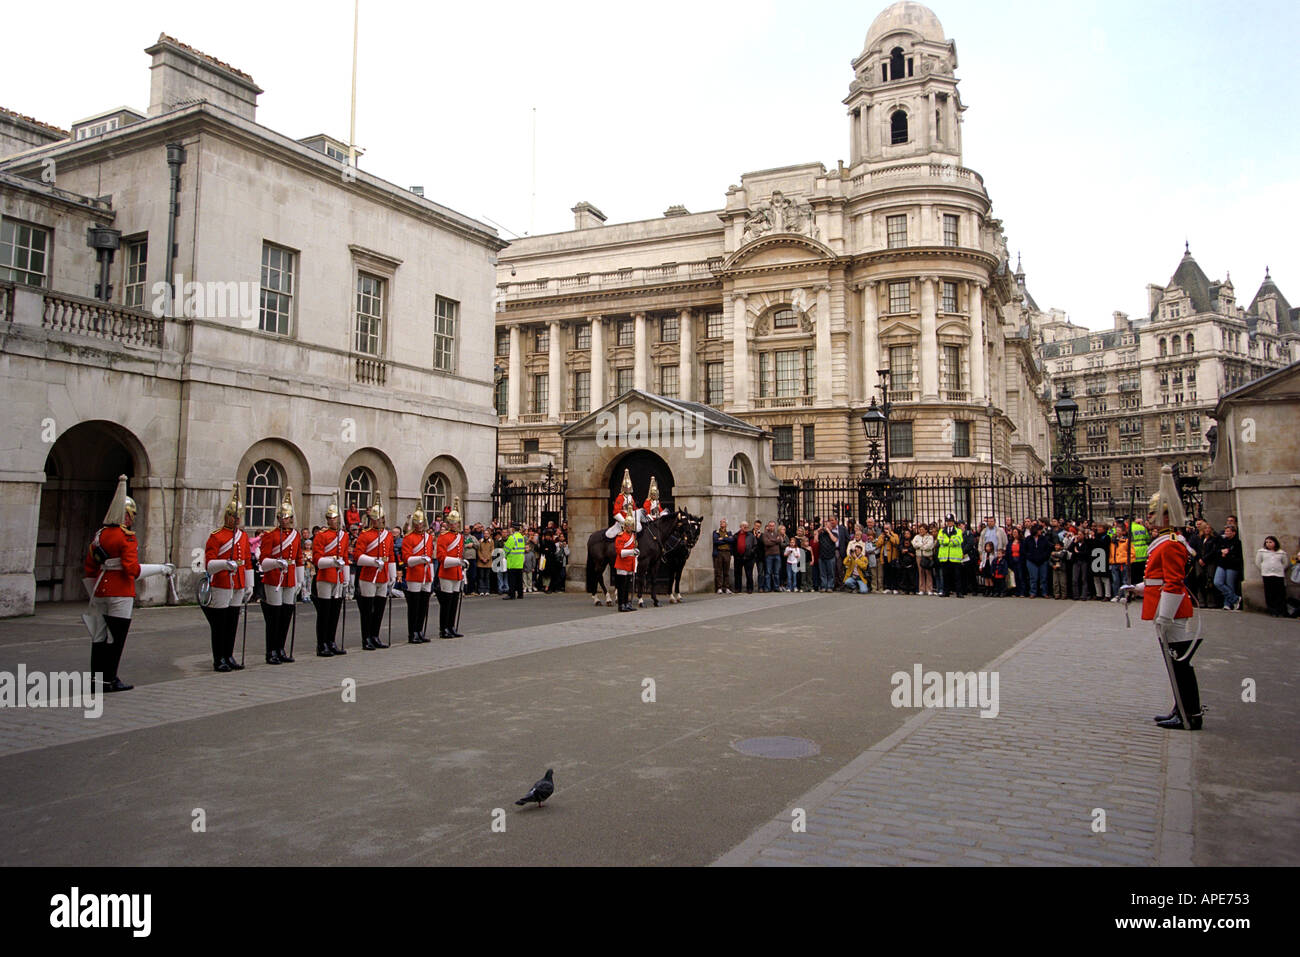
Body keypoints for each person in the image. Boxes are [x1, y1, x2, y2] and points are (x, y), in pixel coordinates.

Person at [1121, 467, 1203, 731]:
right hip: (1167, 607)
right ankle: (1179, 708)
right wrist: (1136, 588)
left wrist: (1165, 616)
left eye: (1154, 512)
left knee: (1179, 664)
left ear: (1168, 515)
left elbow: (1173, 583)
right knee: (1174, 665)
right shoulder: (1165, 540)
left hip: (1173, 612)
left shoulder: (1171, 543)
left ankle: (1190, 713)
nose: (1150, 516)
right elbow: (1158, 581)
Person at [82, 474, 173, 692]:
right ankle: (110, 679)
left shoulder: (100, 535)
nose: (132, 519)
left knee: (99, 638)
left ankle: (96, 679)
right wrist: (161, 568)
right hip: (120, 591)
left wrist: (93, 593)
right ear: (126, 515)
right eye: (131, 515)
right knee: (116, 639)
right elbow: (132, 570)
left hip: (100, 591)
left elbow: (89, 568)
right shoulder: (127, 537)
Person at [203, 482, 252, 672]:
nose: (237, 519)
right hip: (222, 582)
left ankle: (229, 655)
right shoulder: (217, 536)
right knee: (220, 623)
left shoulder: (243, 536)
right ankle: (219, 658)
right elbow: (209, 564)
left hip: (238, 582)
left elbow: (247, 561)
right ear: (227, 516)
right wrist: (225, 564)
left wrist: (249, 584)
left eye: (238, 516)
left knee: (232, 622)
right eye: (234, 516)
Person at [258, 487, 304, 664]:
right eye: (284, 518)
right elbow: (263, 560)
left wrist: (300, 580)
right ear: (278, 519)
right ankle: (271, 651)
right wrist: (276, 563)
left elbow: (298, 558)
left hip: (290, 577)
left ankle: (281, 648)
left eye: (289, 517)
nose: (287, 520)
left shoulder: (295, 535)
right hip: (274, 578)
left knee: (286, 615)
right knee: (274, 615)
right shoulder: (270, 535)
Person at [352, 492, 396, 650]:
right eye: (377, 519)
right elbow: (358, 556)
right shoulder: (365, 535)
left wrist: (392, 574)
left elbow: (390, 555)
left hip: (383, 575)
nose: (380, 521)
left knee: (379, 608)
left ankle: (375, 635)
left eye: (382, 519)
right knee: (367, 609)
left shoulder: (388, 535)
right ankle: (366, 638)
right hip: (369, 576)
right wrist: (372, 561)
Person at [311, 495, 349, 656]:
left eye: (337, 518)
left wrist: (346, 577)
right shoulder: (321, 535)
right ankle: (322, 644)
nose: (335, 521)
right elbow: (317, 559)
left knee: (335, 611)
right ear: (327, 519)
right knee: (324, 612)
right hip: (325, 576)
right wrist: (333, 562)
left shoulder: (344, 536)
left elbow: (346, 557)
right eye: (332, 518)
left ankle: (331, 641)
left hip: (338, 577)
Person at [435, 498, 467, 638]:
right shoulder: (443, 537)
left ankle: (451, 626)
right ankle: (444, 628)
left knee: (454, 601)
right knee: (446, 602)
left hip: (457, 573)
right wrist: (458, 562)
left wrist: (462, 564)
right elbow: (441, 557)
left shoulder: (460, 537)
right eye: (452, 523)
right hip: (446, 572)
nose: (454, 525)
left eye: (456, 523)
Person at [401, 508, 435, 643]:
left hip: (426, 574)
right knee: (414, 605)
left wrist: (431, 574)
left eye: (420, 522)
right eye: (415, 522)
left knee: (423, 605)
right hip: (414, 574)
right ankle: (412, 632)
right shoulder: (409, 537)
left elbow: (431, 557)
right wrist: (420, 559)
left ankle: (420, 631)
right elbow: (406, 558)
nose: (418, 525)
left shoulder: (428, 537)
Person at [1213, 524, 1244, 611]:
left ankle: (1227, 604)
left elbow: (1237, 555)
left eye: (1228, 531)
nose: (1226, 533)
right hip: (1222, 564)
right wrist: (1221, 551)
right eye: (1226, 531)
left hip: (1232, 565)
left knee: (1230, 584)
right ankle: (1235, 598)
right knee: (1217, 582)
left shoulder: (1237, 542)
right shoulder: (1223, 541)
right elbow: (1216, 550)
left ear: (1234, 533)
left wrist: (1228, 553)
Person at [1256, 535, 1288, 617]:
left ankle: (1281, 610)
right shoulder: (1261, 552)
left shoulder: (1281, 552)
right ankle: (1272, 610)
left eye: (1270, 542)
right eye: (1267, 542)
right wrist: (1264, 569)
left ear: (1275, 543)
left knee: (1279, 593)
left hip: (1278, 575)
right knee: (1269, 592)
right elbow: (1258, 562)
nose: (1268, 544)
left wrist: (1279, 569)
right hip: (1267, 574)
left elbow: (1285, 563)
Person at [614, 516, 639, 612]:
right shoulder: (621, 536)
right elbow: (620, 552)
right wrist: (631, 551)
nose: (630, 527)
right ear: (625, 526)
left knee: (628, 586)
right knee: (622, 586)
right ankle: (621, 604)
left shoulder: (633, 536)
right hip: (622, 564)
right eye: (629, 526)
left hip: (630, 564)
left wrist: (636, 553)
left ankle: (627, 603)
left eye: (632, 526)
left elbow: (633, 550)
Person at [607, 469, 640, 539]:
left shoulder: (631, 497)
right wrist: (624, 521)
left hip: (631, 517)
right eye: (626, 488)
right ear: (623, 488)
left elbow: (634, 508)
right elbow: (616, 512)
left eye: (629, 488)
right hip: (623, 519)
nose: (627, 489)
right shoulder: (620, 497)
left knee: (639, 528)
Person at [937, 516, 964, 598]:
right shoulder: (942, 531)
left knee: (957, 576)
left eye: (951, 521)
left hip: (955, 556)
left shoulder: (958, 530)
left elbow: (958, 541)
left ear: (953, 522)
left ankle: (959, 592)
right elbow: (940, 540)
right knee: (945, 575)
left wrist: (947, 541)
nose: (949, 522)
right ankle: (946, 591)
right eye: (948, 521)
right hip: (945, 557)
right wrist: (950, 540)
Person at [503, 522, 526, 600]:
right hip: (519, 561)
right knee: (519, 579)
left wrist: (505, 555)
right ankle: (520, 594)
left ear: (512, 529)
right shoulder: (521, 537)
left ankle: (511, 595)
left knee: (512, 580)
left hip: (512, 561)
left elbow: (506, 549)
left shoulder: (512, 538)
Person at [733, 521, 756, 594]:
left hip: (748, 558)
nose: (746, 527)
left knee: (749, 574)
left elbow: (755, 546)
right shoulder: (736, 535)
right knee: (737, 574)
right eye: (744, 526)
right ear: (740, 527)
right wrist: (735, 554)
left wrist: (751, 552)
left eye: (747, 526)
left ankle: (749, 588)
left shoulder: (751, 535)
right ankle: (737, 588)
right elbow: (733, 546)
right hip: (738, 557)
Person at [712, 519, 735, 594]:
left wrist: (723, 538)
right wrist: (726, 540)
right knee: (718, 571)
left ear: (726, 524)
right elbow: (716, 541)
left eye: (723, 522)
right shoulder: (716, 532)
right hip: (719, 553)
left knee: (726, 571)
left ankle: (727, 587)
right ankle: (719, 587)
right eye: (721, 522)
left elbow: (732, 540)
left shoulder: (729, 532)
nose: (722, 523)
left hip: (727, 553)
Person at [913, 525, 936, 595]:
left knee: (928, 572)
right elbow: (914, 544)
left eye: (922, 529)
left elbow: (929, 546)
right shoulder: (917, 537)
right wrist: (922, 545)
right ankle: (921, 589)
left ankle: (929, 589)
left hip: (927, 556)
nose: (921, 531)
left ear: (926, 530)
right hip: (919, 556)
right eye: (920, 529)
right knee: (921, 572)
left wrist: (920, 546)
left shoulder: (930, 537)